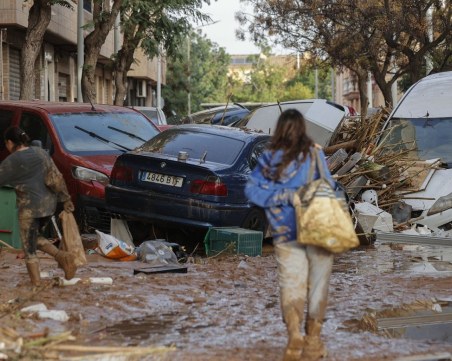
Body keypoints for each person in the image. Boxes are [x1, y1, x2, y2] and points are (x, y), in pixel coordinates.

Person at [245, 109, 335, 361]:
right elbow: (329, 186)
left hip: (285, 233)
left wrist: (279, 197)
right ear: (303, 128)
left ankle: (295, 335)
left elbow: (252, 191)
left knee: (291, 284)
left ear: (280, 128)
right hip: (316, 231)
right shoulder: (315, 153)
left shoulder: (270, 158)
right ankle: (314, 341)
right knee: (317, 286)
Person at [0, 127, 77, 287]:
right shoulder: (40, 153)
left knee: (29, 248)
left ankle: (36, 285)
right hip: (49, 206)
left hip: (29, 209)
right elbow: (56, 178)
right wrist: (66, 198)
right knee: (35, 238)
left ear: (9, 142)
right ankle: (62, 256)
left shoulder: (12, 161)